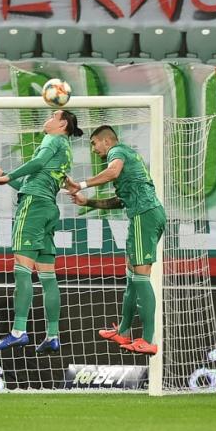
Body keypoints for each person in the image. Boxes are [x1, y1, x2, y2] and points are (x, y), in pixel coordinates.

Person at [0, 109, 83, 353]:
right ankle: (52, 335)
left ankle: (18, 331)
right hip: (48, 207)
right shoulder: (65, 148)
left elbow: (36, 164)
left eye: (52, 116)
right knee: (48, 276)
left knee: (22, 269)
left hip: (34, 208)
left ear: (62, 125)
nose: (46, 119)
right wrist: (6, 175)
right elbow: (35, 181)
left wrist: (7, 178)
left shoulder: (52, 139)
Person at [66, 125, 166, 355]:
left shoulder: (117, 152)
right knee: (132, 276)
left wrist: (80, 184)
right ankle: (123, 331)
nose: (93, 149)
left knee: (141, 277)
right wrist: (87, 202)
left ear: (106, 141)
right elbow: (118, 201)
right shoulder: (127, 159)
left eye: (94, 143)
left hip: (145, 215)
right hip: (142, 215)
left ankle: (148, 340)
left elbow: (112, 172)